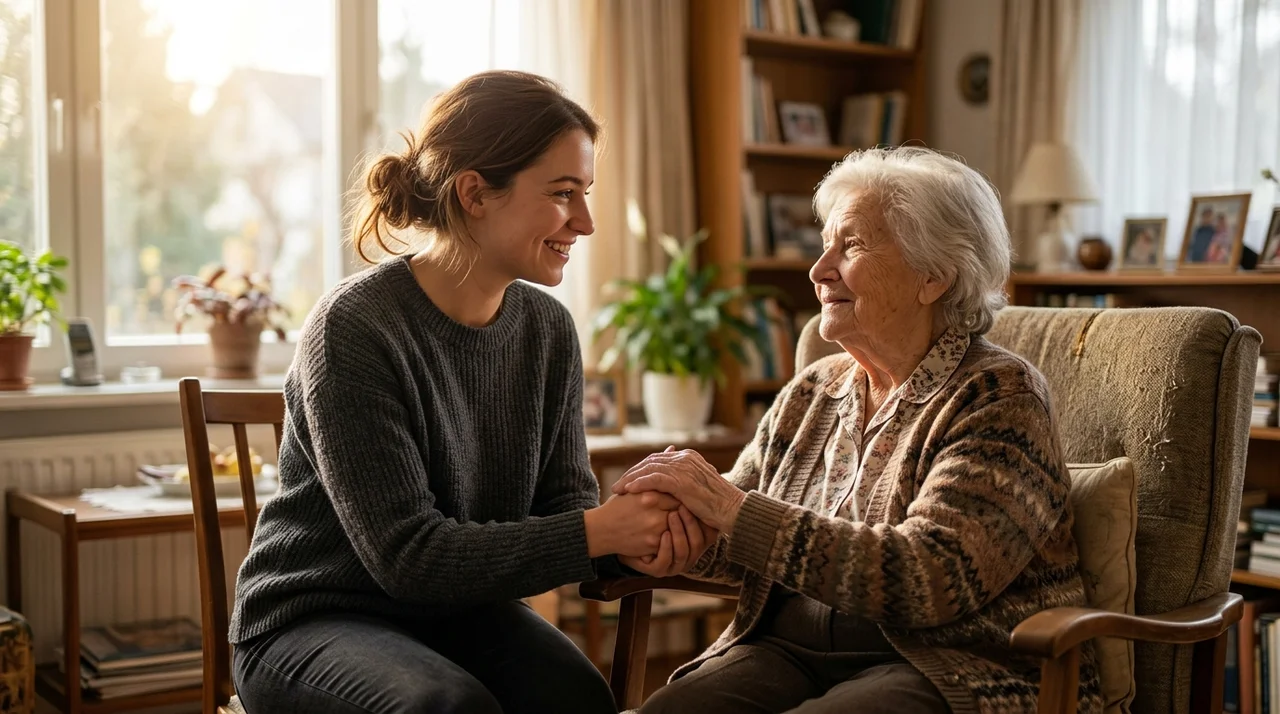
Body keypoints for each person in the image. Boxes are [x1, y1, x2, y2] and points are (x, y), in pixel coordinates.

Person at [229, 70, 714, 714]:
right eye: (563, 193)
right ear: (475, 193)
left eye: (586, 194)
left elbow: (564, 509)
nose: (586, 222)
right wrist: (600, 530)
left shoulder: (548, 331)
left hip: (459, 614)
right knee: (450, 708)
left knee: (578, 700)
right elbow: (408, 559)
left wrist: (638, 541)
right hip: (312, 620)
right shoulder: (353, 326)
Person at [617, 147, 1103, 714]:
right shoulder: (814, 389)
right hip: (786, 651)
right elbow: (736, 537)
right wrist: (674, 537)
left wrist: (727, 508)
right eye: (826, 245)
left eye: (850, 246)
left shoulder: (998, 397)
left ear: (934, 276)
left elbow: (931, 577)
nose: (819, 270)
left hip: (944, 661)